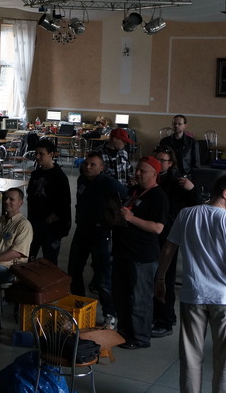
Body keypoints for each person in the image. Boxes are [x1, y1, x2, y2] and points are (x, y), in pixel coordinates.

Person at [154, 175, 226, 393]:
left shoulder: (187, 214)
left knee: (190, 356)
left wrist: (160, 279)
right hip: (223, 298)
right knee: (223, 360)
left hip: (193, 294)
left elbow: (168, 248)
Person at [67, 151, 128, 329]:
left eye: (93, 164)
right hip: (82, 231)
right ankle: (79, 306)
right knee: (74, 270)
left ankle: (109, 314)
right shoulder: (82, 180)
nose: (88, 167)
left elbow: (127, 196)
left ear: (101, 167)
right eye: (86, 163)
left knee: (103, 277)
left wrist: (114, 218)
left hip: (101, 233)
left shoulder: (108, 183)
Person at [112, 156, 168, 349]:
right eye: (137, 169)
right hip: (123, 252)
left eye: (143, 171)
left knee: (140, 299)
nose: (137, 173)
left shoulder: (158, 197)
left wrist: (131, 218)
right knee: (121, 296)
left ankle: (140, 338)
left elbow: (158, 228)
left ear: (154, 174)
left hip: (141, 257)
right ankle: (124, 332)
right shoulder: (134, 191)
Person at [151, 145, 201, 338]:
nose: (158, 163)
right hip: (157, 233)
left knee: (165, 278)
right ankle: (163, 316)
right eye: (156, 159)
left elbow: (196, 204)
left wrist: (192, 188)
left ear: (171, 163)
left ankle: (165, 320)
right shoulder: (155, 177)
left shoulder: (177, 181)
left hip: (169, 235)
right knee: (157, 276)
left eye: (162, 160)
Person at [26, 138, 71, 266]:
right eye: (36, 153)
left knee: (50, 260)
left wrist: (50, 220)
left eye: (41, 154)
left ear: (51, 154)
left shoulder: (59, 177)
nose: (37, 157)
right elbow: (31, 196)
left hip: (51, 226)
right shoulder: (35, 174)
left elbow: (64, 203)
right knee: (29, 255)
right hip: (34, 222)